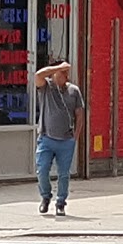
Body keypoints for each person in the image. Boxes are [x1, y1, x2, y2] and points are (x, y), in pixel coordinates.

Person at [33, 57, 85, 215]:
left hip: (66, 140)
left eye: (67, 73)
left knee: (64, 174)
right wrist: (57, 68)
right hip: (46, 138)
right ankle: (45, 196)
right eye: (63, 73)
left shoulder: (73, 91)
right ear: (55, 74)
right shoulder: (46, 87)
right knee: (42, 170)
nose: (66, 76)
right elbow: (38, 75)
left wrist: (75, 137)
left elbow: (80, 114)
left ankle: (61, 202)